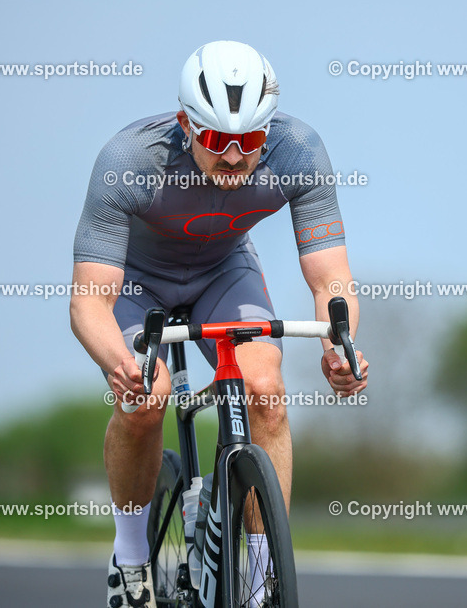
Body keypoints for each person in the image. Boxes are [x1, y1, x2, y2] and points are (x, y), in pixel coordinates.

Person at [69, 40, 369, 607]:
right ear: (185, 124)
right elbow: (88, 301)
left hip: (220, 272)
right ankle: (131, 559)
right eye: (215, 142)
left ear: (269, 129)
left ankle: (262, 576)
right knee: (147, 398)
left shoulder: (299, 150)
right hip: (137, 280)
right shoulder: (130, 159)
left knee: (267, 392)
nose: (233, 158)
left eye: (249, 143)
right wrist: (120, 366)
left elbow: (331, 280)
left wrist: (340, 346)